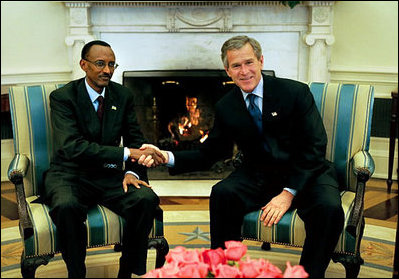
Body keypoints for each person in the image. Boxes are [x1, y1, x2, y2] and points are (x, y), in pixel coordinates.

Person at [140, 35, 344, 278]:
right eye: (236, 66)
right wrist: (166, 156)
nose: (244, 71)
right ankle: (224, 270)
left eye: (249, 62)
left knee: (329, 208)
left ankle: (308, 275)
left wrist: (288, 193)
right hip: (260, 175)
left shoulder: (295, 92)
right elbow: (211, 153)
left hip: (309, 172)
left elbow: (315, 146)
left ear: (260, 61)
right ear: (228, 71)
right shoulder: (227, 105)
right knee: (222, 193)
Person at [43, 40, 165, 278]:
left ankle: (127, 270)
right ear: (83, 64)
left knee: (145, 198)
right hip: (69, 174)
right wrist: (126, 154)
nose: (107, 71)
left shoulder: (123, 95)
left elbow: (135, 139)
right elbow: (72, 147)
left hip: (108, 174)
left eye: (111, 64)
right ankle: (76, 273)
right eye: (100, 64)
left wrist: (132, 173)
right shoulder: (63, 97)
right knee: (66, 206)